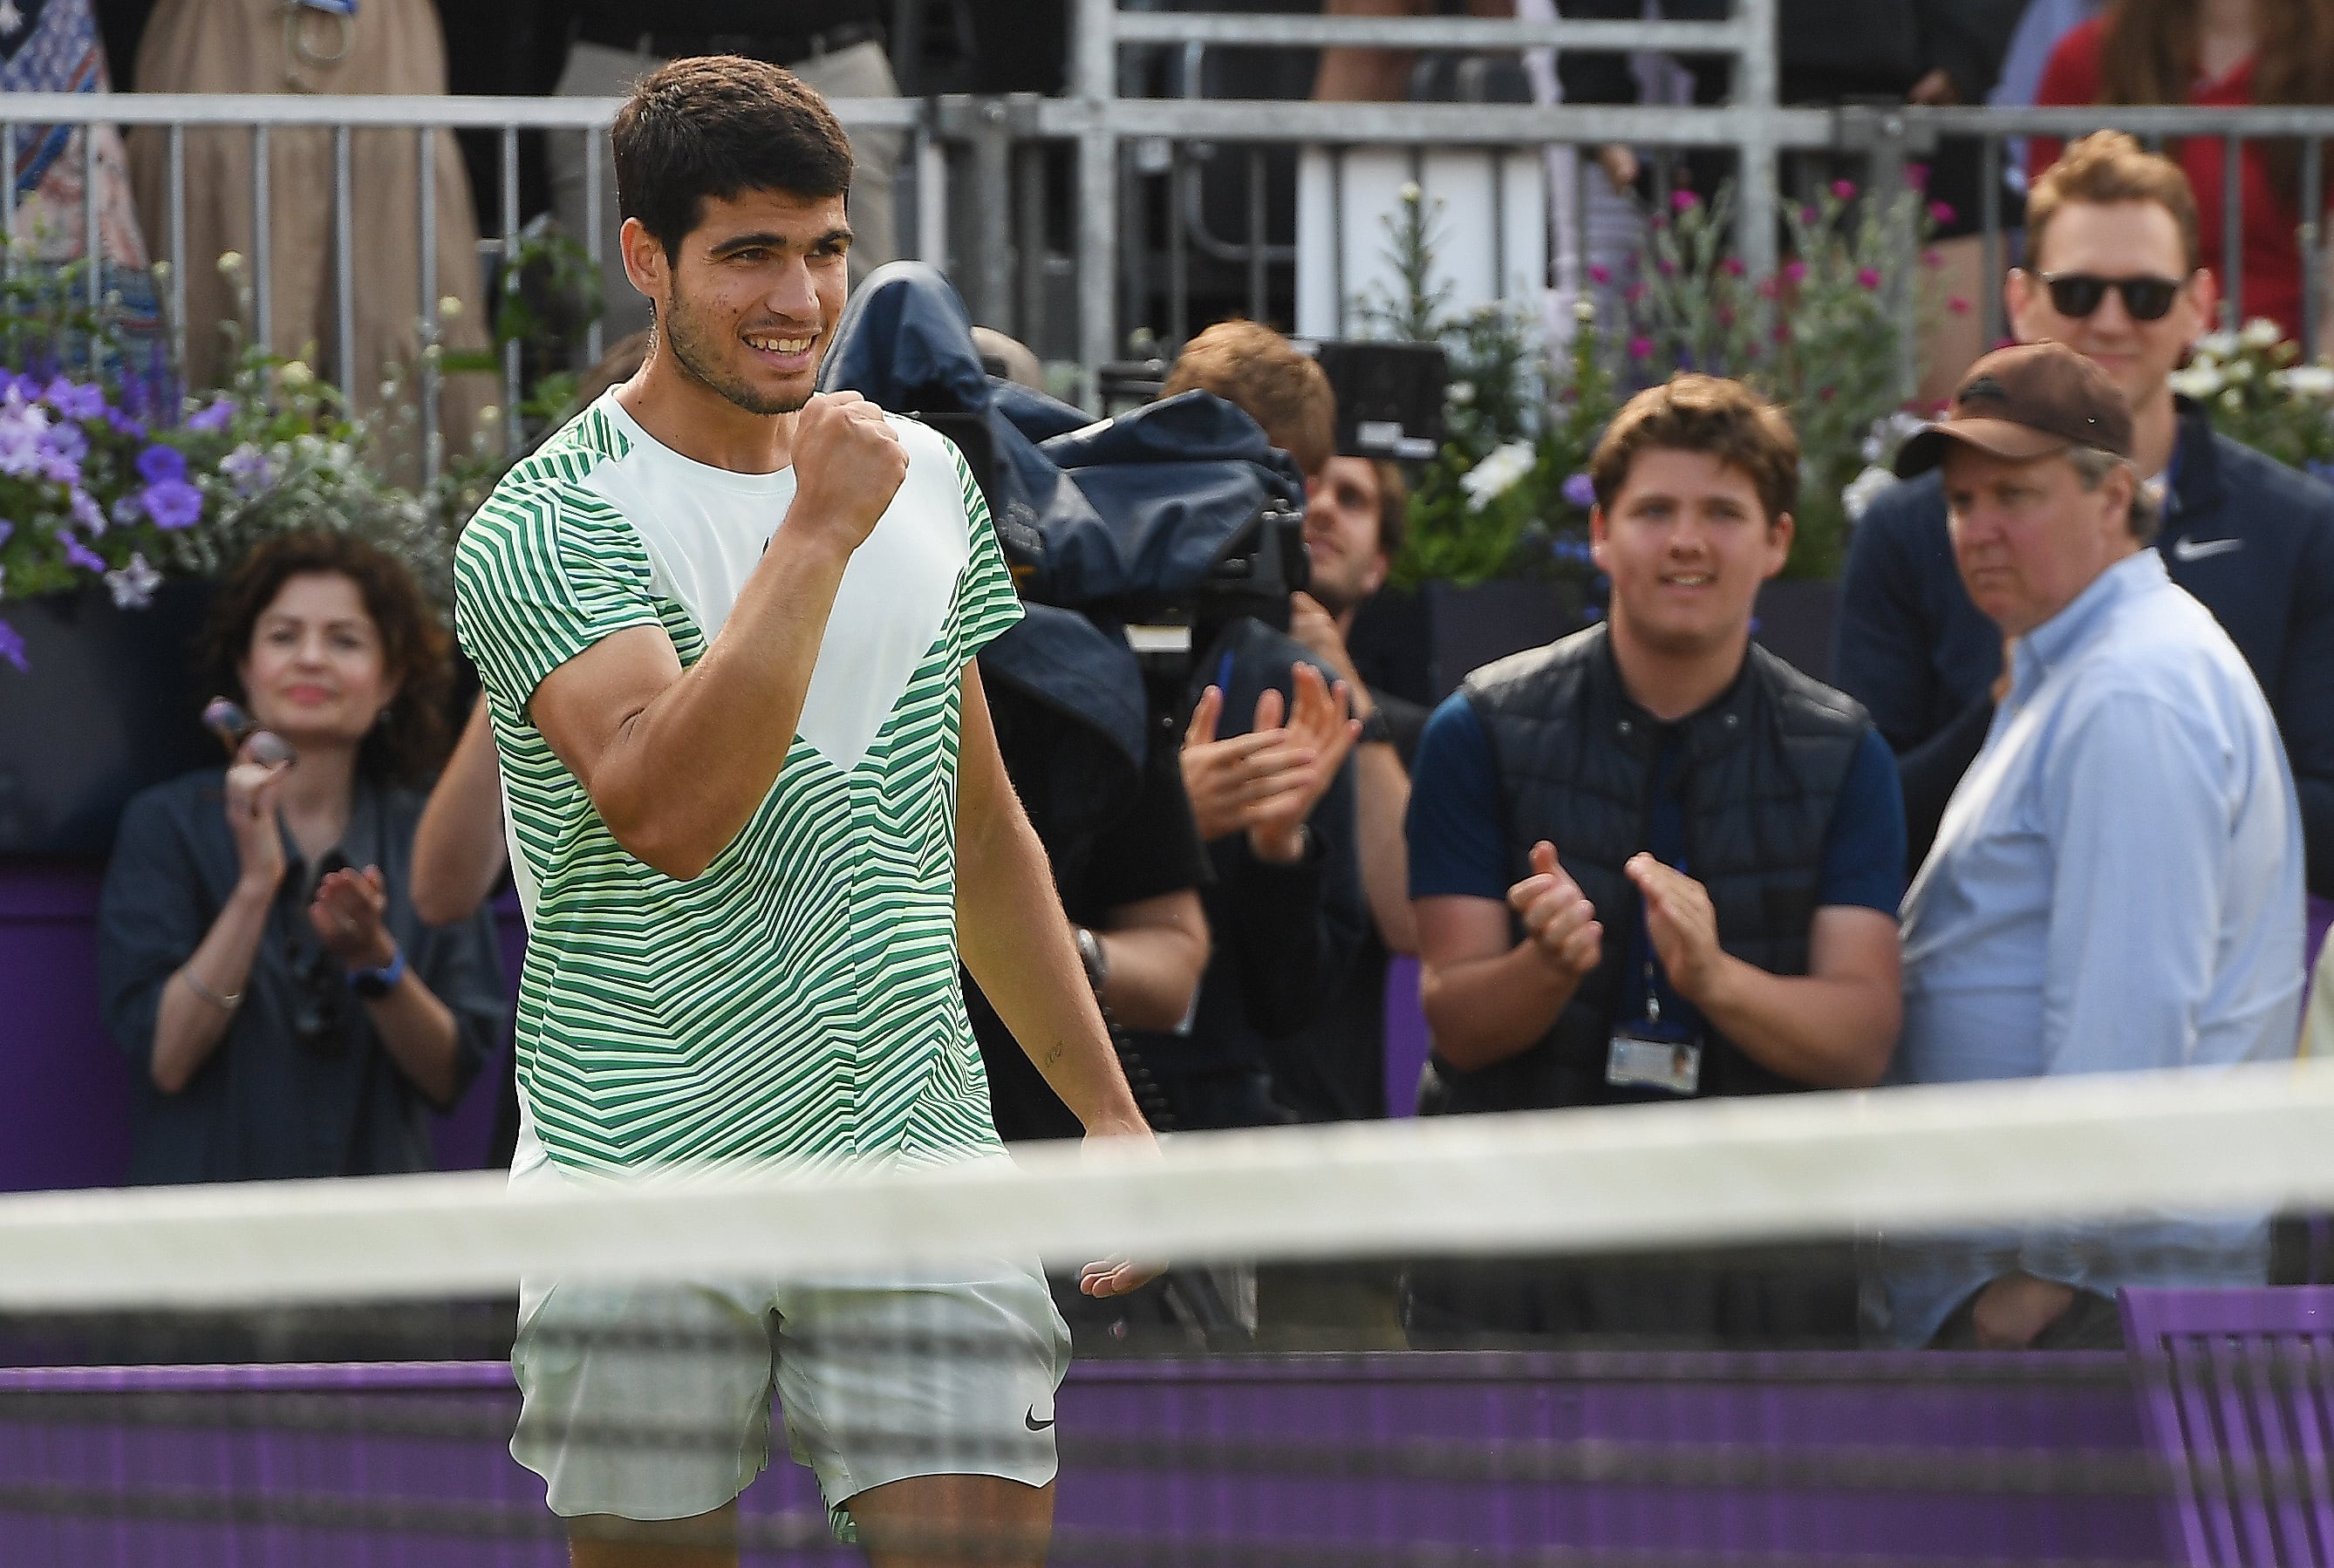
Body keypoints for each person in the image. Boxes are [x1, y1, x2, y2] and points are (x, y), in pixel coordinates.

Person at [451, 56, 1157, 1565]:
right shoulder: (544, 523)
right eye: (749, 253)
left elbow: (975, 833)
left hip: (917, 1153)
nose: (799, 295)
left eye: (825, 247)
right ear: (648, 258)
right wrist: (819, 528)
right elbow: (672, 808)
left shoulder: (929, 485)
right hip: (636, 1173)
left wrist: (1106, 1111)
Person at [1403, 373, 1906, 1346]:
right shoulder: (1479, 729)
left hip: (1764, 1281)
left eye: (1723, 512)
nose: (1686, 540)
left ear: (1778, 543)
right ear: (1601, 535)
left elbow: (1859, 1034)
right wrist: (1545, 967)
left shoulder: (1847, 754)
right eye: (1654, 511)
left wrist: (1716, 979)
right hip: (1511, 1276)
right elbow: (1456, 1023)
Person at [1872, 340, 2303, 1350]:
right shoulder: (2087, 665)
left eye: (2012, 496)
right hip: (2081, 1293)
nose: (1976, 530)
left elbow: (2129, 1015)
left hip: (2087, 1307)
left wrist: (2039, 1282)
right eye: (1960, 502)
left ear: (2114, 498)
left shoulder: (2132, 687)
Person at [1834, 132, 2334, 896]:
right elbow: (1862, 826)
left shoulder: (2298, 529)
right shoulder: (1906, 528)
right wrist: (2011, 702)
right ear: (2019, 301)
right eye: (2076, 292)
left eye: (2144, 295)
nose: (2108, 322)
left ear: (2198, 307)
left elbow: (2328, 819)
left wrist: (2135, 785)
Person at [97, 531, 505, 1185]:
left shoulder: (430, 835)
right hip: (205, 1255)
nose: (311, 659)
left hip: (382, 1258)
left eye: (345, 640)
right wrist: (256, 887)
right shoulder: (164, 825)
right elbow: (168, 1058)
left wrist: (373, 959)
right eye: (284, 637)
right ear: (245, 665)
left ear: (391, 679)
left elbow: (451, 1075)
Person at [1144, 320, 1369, 1135]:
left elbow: (1296, 1000)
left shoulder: (1295, 682)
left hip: (1220, 1120)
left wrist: (1283, 857)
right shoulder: (1057, 633)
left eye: (1286, 478)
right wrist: (1171, 824)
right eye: (1232, 471)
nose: (1258, 505)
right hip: (1043, 1111)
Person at [123, 0, 495, 462]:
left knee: (394, 287)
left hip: (381, 35)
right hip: (224, 35)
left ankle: (406, 514)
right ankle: (219, 500)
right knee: (225, 271)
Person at [549, 0, 906, 341]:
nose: (798, 303)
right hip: (626, 54)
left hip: (831, 56)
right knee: (619, 316)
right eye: (752, 255)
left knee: (852, 317)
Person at [2030, 0, 2334, 351]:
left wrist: (2317, 395)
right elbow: (2053, 251)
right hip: (2115, 367)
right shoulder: (2088, 58)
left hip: (2275, 378)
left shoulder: (2323, 61)